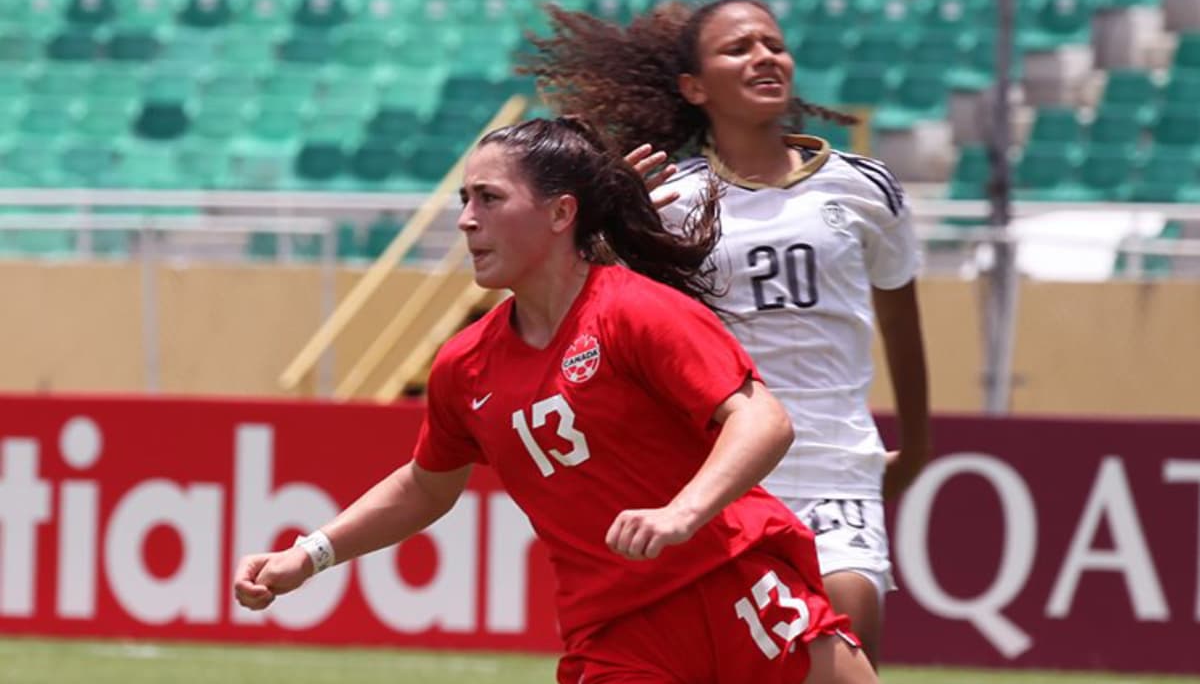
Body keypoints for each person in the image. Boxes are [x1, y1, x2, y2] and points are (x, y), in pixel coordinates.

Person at [233, 117, 881, 684]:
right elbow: (427, 486)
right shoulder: (463, 364)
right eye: (464, 199)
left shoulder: (636, 312)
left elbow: (763, 418)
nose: (465, 218)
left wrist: (681, 513)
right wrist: (310, 552)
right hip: (620, 635)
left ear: (560, 212)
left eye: (488, 198)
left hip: (735, 582)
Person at [522, 0, 933, 667]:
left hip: (838, 466)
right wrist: (606, 226)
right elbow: (584, 306)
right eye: (738, 48)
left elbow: (901, 325)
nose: (764, 56)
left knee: (844, 633)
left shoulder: (867, 187)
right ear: (694, 87)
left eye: (774, 43)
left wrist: (916, 447)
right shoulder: (670, 201)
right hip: (723, 470)